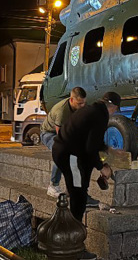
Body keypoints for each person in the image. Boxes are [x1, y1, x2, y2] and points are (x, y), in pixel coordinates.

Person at [52, 91, 119, 222]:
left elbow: (92, 140)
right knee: (78, 192)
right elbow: (91, 148)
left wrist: (107, 149)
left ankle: (73, 223)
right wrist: (101, 168)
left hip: (66, 152)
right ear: (114, 108)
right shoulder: (100, 116)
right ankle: (75, 226)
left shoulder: (92, 110)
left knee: (80, 187)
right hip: (70, 156)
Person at [40, 87, 87, 198]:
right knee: (61, 151)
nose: (82, 106)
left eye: (84, 103)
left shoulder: (80, 107)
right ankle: (53, 186)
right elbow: (61, 137)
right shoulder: (61, 111)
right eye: (79, 104)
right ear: (71, 100)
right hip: (48, 133)